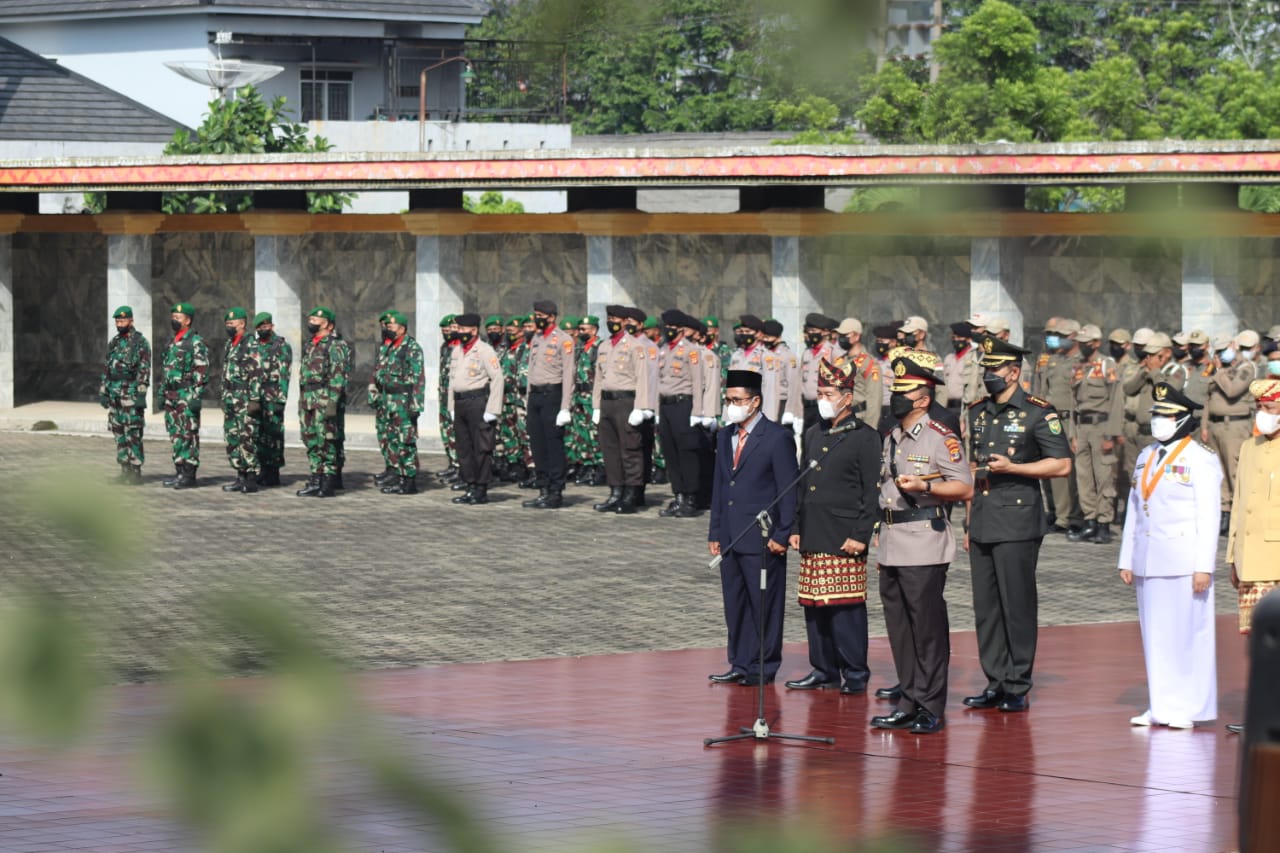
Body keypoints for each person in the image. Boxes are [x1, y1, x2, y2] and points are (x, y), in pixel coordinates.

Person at [963, 335, 1073, 713]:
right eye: (986, 369)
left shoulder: (1038, 412)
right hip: (982, 519)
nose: (988, 376)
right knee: (986, 608)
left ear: (1014, 372)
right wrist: (966, 524)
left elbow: (1061, 464)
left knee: (1017, 605)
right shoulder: (976, 410)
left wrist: (1016, 468)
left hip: (1017, 521)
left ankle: (1018, 683)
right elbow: (974, 470)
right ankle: (995, 680)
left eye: (994, 369)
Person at [870, 355, 974, 734]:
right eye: (894, 390)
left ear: (923, 399)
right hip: (893, 541)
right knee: (899, 629)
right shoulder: (891, 436)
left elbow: (964, 487)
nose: (896, 397)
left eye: (904, 391)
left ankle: (930, 705)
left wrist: (927, 486)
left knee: (926, 629)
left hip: (924, 543)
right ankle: (909, 700)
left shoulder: (940, 437)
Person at [1118, 383, 1221, 729]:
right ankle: (1160, 704)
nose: (1158, 422)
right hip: (1150, 558)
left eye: (1165, 416)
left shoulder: (1201, 459)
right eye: (1156, 415)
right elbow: (1135, 508)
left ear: (1182, 419)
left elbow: (1209, 518)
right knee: (1155, 638)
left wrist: (1203, 567)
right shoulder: (1147, 455)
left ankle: (1188, 706)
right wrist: (1126, 557)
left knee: (1187, 636)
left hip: (1183, 560)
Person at [784, 358, 882, 695]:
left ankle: (855, 672)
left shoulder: (865, 437)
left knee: (844, 607)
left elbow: (872, 492)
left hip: (844, 536)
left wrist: (861, 535)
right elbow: (802, 485)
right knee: (814, 606)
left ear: (846, 397)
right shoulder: (814, 433)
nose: (821, 399)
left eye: (828, 393)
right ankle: (823, 669)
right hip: (813, 532)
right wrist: (795, 525)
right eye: (819, 392)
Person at [707, 369, 798, 687]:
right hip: (732, 534)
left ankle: (764, 664)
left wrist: (783, 533)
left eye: (738, 400)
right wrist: (715, 532)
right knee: (736, 602)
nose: (732, 406)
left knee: (765, 604)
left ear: (755, 401)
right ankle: (740, 661)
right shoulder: (724, 435)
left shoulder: (776, 437)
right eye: (728, 400)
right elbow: (720, 487)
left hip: (761, 536)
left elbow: (788, 490)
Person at [1224, 378, 1280, 734]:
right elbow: (1239, 504)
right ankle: (1263, 712)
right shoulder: (1248, 447)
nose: (1263, 415)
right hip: (1252, 561)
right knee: (1261, 645)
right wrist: (1233, 556)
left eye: (1270, 408)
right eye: (1260, 408)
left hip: (1276, 561)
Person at [591, 305, 655, 514]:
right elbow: (599, 378)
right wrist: (596, 406)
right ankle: (615, 491)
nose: (611, 322)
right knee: (610, 450)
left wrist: (640, 407)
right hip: (608, 402)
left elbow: (643, 378)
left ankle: (631, 493)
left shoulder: (636, 346)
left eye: (615, 318)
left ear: (625, 321)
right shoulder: (604, 346)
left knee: (630, 449)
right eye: (609, 318)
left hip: (627, 401)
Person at [1069, 323, 1125, 544]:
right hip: (1082, 427)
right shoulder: (1079, 366)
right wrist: (1073, 433)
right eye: (1080, 343)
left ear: (1097, 343)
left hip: (1101, 427)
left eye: (1087, 343)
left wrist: (1111, 434)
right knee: (1084, 477)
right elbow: (1074, 402)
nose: (1083, 346)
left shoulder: (1107, 365)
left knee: (1103, 477)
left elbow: (1116, 401)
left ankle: (1104, 522)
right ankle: (1089, 520)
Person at [655, 309, 713, 518]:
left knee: (687, 452)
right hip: (666, 406)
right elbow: (658, 382)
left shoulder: (691, 351)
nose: (668, 330)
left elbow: (698, 383)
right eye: (666, 327)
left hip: (684, 405)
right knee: (670, 453)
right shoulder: (662, 349)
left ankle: (691, 498)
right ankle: (678, 495)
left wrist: (698, 411)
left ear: (680, 329)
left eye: (672, 327)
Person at [523, 299, 577, 509]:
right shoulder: (536, 338)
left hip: (552, 396)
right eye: (535, 314)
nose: (537, 318)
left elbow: (568, 374)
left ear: (552, 317)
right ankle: (543, 488)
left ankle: (555, 491)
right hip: (536, 396)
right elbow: (531, 372)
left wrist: (565, 406)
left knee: (553, 445)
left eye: (541, 315)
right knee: (537, 445)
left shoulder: (563, 340)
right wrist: (529, 399)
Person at [1204, 331, 1259, 535]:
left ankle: (1241, 516)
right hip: (1215, 425)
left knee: (1235, 471)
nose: (1220, 355)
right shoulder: (1218, 370)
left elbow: (1232, 391)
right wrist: (1204, 425)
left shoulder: (1245, 367)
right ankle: (1224, 513)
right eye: (1217, 352)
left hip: (1235, 426)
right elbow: (1208, 398)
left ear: (1233, 345)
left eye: (1223, 350)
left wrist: (1219, 372)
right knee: (1220, 474)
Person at [447, 313, 504, 505]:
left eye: (463, 330)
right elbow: (451, 381)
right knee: (464, 448)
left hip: (477, 402)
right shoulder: (457, 351)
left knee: (481, 447)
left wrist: (493, 409)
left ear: (473, 330)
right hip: (461, 403)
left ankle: (481, 488)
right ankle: (469, 484)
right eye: (458, 329)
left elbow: (497, 378)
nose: (460, 332)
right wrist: (451, 406)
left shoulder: (485, 351)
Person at [296, 306, 349, 498]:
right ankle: (316, 477)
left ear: (326, 323)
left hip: (324, 399)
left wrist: (332, 402)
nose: (311, 323)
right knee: (311, 439)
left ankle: (328, 481)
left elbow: (338, 376)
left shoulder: (335, 345)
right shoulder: (311, 344)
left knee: (326, 440)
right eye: (310, 319)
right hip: (308, 399)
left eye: (315, 320)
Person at [371, 310, 425, 495]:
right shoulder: (389, 347)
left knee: (405, 441)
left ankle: (408, 481)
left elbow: (418, 379)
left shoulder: (412, 348)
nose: (387, 329)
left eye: (391, 326)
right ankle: (397, 475)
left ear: (402, 329)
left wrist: (416, 405)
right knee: (391, 440)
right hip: (387, 401)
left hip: (403, 402)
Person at [159, 302, 210, 490]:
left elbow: (202, 371)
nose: (174, 320)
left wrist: (196, 396)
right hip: (171, 395)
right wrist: (161, 393)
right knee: (176, 434)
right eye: (172, 317)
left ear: (187, 320)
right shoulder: (172, 342)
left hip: (186, 395)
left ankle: (189, 474)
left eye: (177, 318)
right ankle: (179, 470)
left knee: (188, 434)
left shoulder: (195, 342)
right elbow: (165, 370)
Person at [99, 305, 151, 485]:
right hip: (114, 395)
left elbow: (144, 371)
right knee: (119, 434)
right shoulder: (114, 343)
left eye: (122, 321)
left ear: (131, 321)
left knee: (133, 434)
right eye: (117, 321)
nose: (119, 324)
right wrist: (103, 391)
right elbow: (107, 369)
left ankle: (135, 471)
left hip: (130, 395)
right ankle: (124, 469)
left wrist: (141, 395)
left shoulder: (140, 343)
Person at [218, 307, 263, 494]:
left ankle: (251, 477)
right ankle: (240, 475)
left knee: (247, 438)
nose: (229, 326)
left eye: (232, 323)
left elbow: (256, 373)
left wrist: (254, 399)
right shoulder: (231, 344)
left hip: (244, 398)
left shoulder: (250, 344)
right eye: (227, 323)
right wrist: (223, 395)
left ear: (242, 324)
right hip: (231, 398)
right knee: (233, 437)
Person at [253, 312, 291, 487]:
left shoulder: (281, 346)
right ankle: (263, 469)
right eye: (259, 327)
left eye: (265, 326)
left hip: (273, 397)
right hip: (257, 398)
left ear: (272, 326)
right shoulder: (254, 347)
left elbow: (284, 375)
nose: (263, 329)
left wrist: (280, 400)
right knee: (259, 435)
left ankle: (273, 471)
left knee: (273, 435)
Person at [568, 315, 605, 486]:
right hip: (579, 397)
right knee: (581, 434)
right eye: (580, 329)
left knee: (595, 433)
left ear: (594, 330)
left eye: (584, 329)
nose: (581, 332)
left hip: (592, 396)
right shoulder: (580, 348)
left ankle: (600, 468)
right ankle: (588, 466)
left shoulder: (600, 348)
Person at [798, 313, 837, 432]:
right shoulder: (807, 352)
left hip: (823, 405)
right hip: (806, 407)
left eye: (814, 330)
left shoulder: (832, 352)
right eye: (809, 330)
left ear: (825, 332)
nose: (810, 333)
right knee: (806, 441)